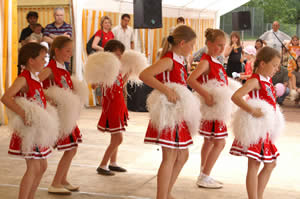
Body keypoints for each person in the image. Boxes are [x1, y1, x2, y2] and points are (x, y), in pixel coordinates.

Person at [140, 25, 196, 199]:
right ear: (182, 43)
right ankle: (161, 196)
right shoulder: (169, 59)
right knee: (170, 155)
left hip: (178, 114)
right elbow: (145, 75)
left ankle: (166, 192)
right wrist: (166, 90)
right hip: (169, 113)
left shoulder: (179, 60)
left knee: (183, 154)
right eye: (192, 45)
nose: (193, 49)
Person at [230, 46, 281, 199]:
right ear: (263, 64)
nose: (276, 69)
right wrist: (252, 110)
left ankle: (258, 196)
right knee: (254, 164)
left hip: (265, 129)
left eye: (278, 66)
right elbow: (236, 97)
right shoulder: (255, 80)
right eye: (274, 65)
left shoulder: (268, 80)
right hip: (256, 129)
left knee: (270, 163)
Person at [2, 43, 49, 199]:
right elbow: (6, 98)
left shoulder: (36, 78)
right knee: (34, 166)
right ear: (31, 60)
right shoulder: (23, 78)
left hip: (38, 129)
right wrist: (24, 114)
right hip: (29, 130)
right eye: (42, 58)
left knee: (42, 166)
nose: (44, 62)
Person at [39, 36, 81, 195]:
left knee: (73, 147)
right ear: (56, 50)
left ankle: (62, 179)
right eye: (67, 50)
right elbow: (34, 85)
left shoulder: (63, 67)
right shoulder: (50, 68)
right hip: (58, 116)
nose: (70, 54)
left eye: (71, 50)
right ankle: (56, 182)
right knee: (70, 148)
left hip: (66, 114)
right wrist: (51, 98)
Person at [187, 28, 227, 189]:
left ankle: (204, 173)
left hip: (217, 108)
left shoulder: (216, 60)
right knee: (220, 142)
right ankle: (204, 175)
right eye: (218, 45)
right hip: (212, 109)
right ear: (209, 44)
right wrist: (206, 95)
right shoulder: (206, 61)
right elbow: (191, 80)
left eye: (224, 45)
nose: (222, 48)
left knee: (210, 141)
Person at [95, 40, 129, 176]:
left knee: (115, 136)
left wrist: (128, 74)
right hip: (112, 105)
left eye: (120, 55)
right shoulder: (106, 69)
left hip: (118, 104)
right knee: (118, 138)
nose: (119, 57)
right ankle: (102, 165)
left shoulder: (117, 69)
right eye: (117, 55)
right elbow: (95, 85)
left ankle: (113, 163)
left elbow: (119, 86)